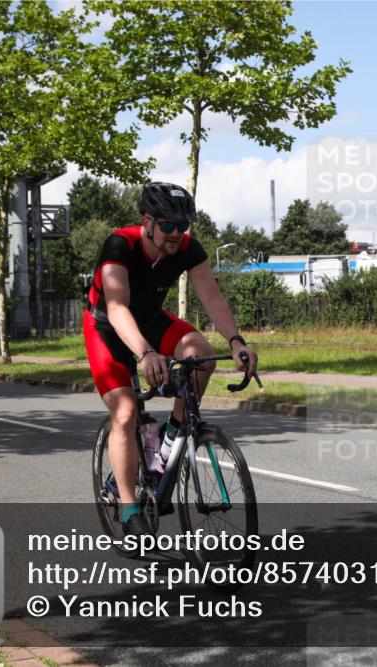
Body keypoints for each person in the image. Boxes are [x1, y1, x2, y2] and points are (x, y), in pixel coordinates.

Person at [83, 182, 258, 542]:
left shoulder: (188, 248)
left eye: (184, 225)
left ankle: (172, 434)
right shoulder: (120, 245)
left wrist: (237, 342)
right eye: (168, 225)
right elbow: (116, 307)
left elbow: (212, 298)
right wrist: (145, 353)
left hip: (148, 317)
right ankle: (130, 508)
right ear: (147, 221)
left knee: (200, 352)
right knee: (126, 412)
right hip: (106, 325)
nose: (177, 233)